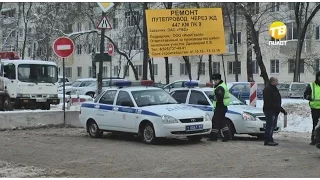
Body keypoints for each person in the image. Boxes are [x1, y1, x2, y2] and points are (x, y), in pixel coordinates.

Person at [263, 77, 287, 146]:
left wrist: (279, 108)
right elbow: (271, 101)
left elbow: (276, 101)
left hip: (274, 110)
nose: (277, 82)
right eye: (276, 81)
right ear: (272, 82)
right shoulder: (269, 89)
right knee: (270, 125)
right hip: (270, 110)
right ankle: (268, 140)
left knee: (272, 125)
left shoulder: (274, 89)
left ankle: (270, 139)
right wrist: (280, 109)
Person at [208, 73, 231, 142]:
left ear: (219, 79)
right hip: (222, 106)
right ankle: (226, 135)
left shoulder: (220, 87)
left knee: (216, 121)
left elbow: (219, 97)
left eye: (216, 80)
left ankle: (214, 137)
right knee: (221, 122)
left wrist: (212, 97)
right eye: (214, 80)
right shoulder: (221, 85)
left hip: (220, 106)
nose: (214, 81)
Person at [303, 71, 320, 145]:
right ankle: (314, 139)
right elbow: (306, 94)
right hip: (315, 108)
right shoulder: (311, 85)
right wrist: (309, 97)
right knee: (316, 124)